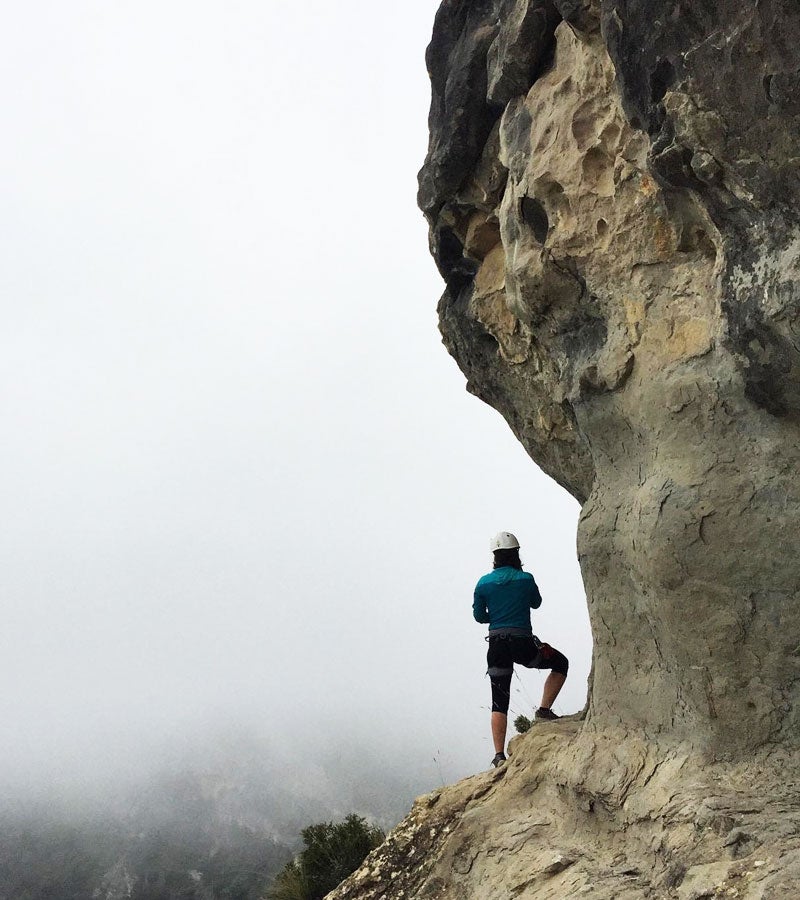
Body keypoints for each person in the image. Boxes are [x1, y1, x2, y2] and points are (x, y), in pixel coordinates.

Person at [473, 531, 569, 768]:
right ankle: (544, 711)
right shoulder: (526, 579)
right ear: (516, 554)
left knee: (499, 700)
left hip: (496, 645)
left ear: (495, 556)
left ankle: (498, 755)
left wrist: (496, 616)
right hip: (523, 644)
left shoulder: (483, 583)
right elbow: (536, 603)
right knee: (560, 663)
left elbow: (478, 616)